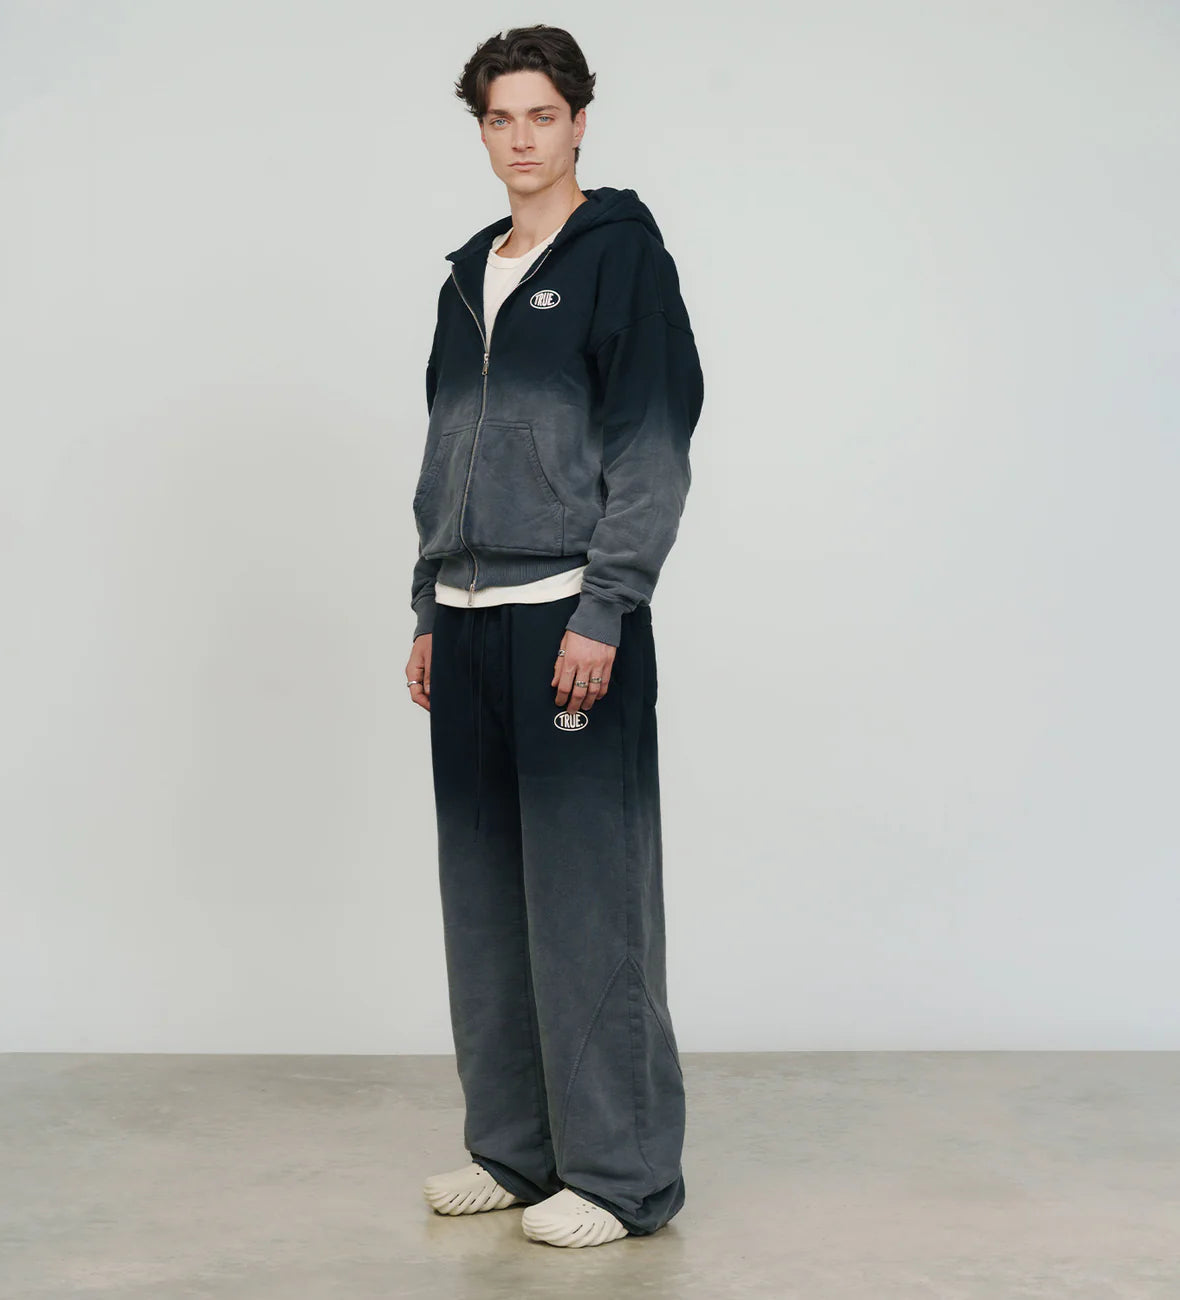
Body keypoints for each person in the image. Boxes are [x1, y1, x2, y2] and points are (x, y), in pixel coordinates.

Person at [404, 25, 704, 1248]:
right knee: (484, 900)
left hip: (570, 617)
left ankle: (622, 1178)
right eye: (499, 118)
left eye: (541, 115)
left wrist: (606, 604)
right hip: (467, 619)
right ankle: (516, 1152)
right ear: (480, 130)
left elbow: (652, 445)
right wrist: (428, 601)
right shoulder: (465, 276)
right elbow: (444, 451)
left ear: (579, 121)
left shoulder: (620, 258)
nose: (521, 139)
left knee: (590, 904)